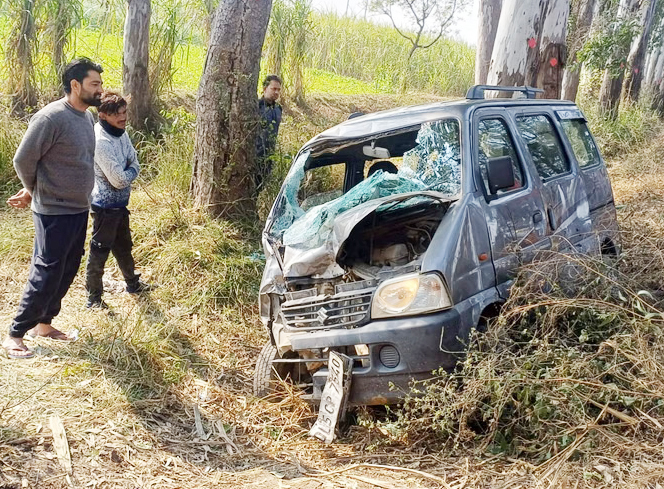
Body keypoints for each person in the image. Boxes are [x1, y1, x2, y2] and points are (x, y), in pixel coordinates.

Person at [2, 58, 103, 359]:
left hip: (78, 207)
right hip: (53, 210)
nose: (100, 89)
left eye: (100, 84)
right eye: (94, 84)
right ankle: (15, 334)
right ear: (75, 85)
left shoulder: (86, 118)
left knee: (68, 267)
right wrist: (34, 190)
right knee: (46, 271)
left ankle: (44, 325)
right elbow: (23, 159)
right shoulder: (51, 118)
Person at [85, 91, 150, 309]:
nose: (123, 117)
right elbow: (119, 180)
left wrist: (130, 170)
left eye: (124, 112)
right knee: (99, 251)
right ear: (103, 115)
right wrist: (131, 171)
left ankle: (133, 284)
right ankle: (93, 298)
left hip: (120, 205)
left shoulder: (121, 132)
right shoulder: (101, 141)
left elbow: (135, 160)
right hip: (104, 207)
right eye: (117, 114)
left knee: (124, 246)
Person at [255, 74, 283, 192]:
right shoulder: (256, 106)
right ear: (265, 89)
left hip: (269, 156)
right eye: (273, 89)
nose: (276, 92)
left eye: (278, 90)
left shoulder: (278, 109)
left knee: (262, 187)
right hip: (256, 155)